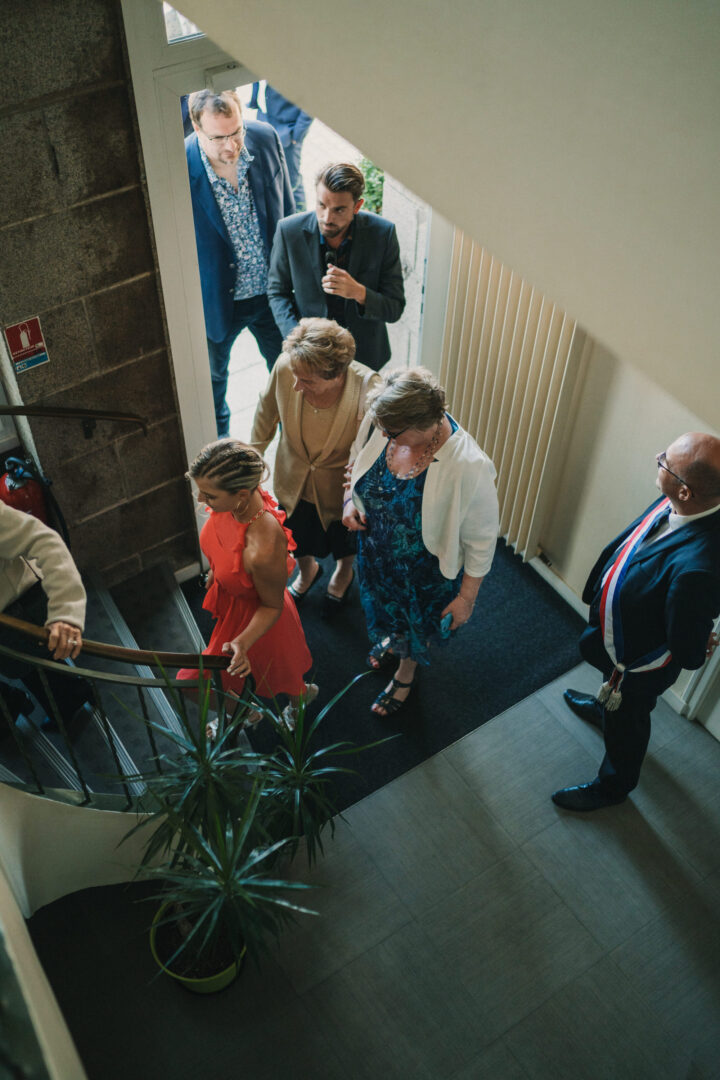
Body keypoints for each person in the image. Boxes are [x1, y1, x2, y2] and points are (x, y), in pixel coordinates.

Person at [554, 432, 720, 812]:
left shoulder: (701, 567)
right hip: (619, 637)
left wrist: (698, 640)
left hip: (638, 663)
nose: (658, 457)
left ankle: (614, 785)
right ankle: (604, 708)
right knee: (615, 705)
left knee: (628, 723)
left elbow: (687, 645)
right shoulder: (683, 500)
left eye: (665, 462)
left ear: (685, 491)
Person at [344, 367, 499, 715]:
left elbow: (482, 539)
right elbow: (357, 458)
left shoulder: (469, 465)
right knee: (384, 607)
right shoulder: (384, 419)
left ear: (422, 425)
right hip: (376, 552)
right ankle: (393, 640)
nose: (382, 434)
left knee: (412, 622)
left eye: (391, 432)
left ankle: (406, 672)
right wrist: (348, 501)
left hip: (422, 573)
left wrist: (466, 599)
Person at [178, 441, 316, 729]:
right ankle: (246, 713)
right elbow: (225, 547)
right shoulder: (236, 502)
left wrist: (242, 641)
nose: (201, 499)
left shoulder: (262, 547)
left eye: (209, 495)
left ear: (241, 494)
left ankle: (299, 704)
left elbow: (272, 605)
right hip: (233, 607)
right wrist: (218, 572)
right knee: (205, 681)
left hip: (262, 619)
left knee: (285, 678)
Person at [250, 318, 381, 615]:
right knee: (296, 535)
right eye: (296, 377)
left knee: (344, 540)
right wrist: (252, 461)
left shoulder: (369, 387)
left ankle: (343, 573)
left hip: (340, 488)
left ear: (337, 375)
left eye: (307, 381)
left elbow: (374, 449)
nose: (296, 386)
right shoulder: (288, 366)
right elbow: (265, 412)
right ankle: (308, 571)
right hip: (293, 478)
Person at [185, 89, 295, 436]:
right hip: (217, 303)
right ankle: (222, 453)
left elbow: (288, 207)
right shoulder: (178, 163)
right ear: (197, 128)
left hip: (272, 295)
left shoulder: (264, 137)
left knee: (289, 378)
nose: (231, 146)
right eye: (218, 138)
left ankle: (292, 445)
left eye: (236, 133)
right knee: (213, 384)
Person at [267, 162, 406, 372]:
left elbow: (394, 308)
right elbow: (277, 293)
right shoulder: (289, 231)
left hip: (364, 358)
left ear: (357, 206)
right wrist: (298, 342)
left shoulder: (382, 233)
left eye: (339, 210)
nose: (327, 218)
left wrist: (359, 293)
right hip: (309, 356)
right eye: (321, 205)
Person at [0, 500, 90, 736]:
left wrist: (66, 611)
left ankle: (70, 699)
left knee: (34, 666)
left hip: (19, 606)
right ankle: (72, 692)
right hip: (14, 609)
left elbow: (43, 540)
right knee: (38, 663)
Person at [248, 82, 313, 211]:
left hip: (287, 131)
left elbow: (311, 101)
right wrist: (255, 101)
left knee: (292, 179)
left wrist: (297, 135)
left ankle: (299, 214)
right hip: (264, 119)